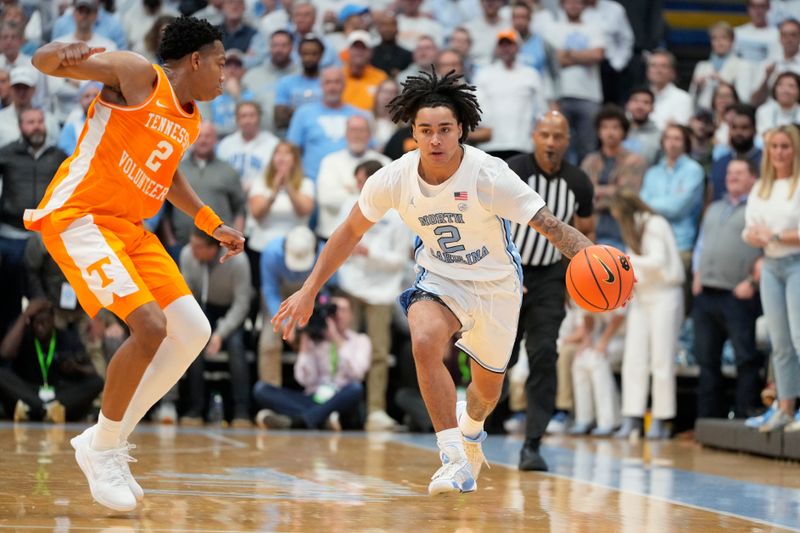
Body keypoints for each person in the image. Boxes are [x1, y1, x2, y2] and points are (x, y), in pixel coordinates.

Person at [272, 70, 597, 495]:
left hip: (496, 285)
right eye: (426, 131)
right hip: (440, 278)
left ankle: (471, 429)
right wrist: (310, 288)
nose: (436, 140)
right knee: (423, 338)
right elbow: (349, 231)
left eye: (445, 130)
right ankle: (452, 458)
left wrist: (596, 259)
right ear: (413, 132)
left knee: (485, 394)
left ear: (461, 129)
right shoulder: (394, 177)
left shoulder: (489, 174)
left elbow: (551, 226)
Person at [22, 17, 245, 512]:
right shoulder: (138, 74)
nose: (225, 75)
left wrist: (211, 223)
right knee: (149, 326)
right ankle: (103, 448)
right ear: (196, 60)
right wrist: (64, 49)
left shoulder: (190, 119)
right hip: (80, 216)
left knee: (192, 330)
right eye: (221, 63)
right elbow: (42, 63)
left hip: (128, 227)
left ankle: (105, 438)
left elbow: (165, 176)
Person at [506, 111, 595, 472]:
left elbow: (588, 239)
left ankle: (532, 443)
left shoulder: (579, 182)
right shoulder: (512, 171)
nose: (551, 142)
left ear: (568, 141)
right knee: (497, 357)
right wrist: (503, 270)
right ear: (534, 136)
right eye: (544, 134)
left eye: (558, 136)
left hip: (549, 278)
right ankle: (469, 429)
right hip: (506, 272)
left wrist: (597, 281)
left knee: (544, 352)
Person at [336, 159, 413, 431]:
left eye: (361, 181)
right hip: (351, 286)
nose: (358, 186)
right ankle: (338, 408)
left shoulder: (398, 212)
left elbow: (398, 260)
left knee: (379, 353)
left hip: (381, 291)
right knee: (344, 348)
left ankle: (375, 411)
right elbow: (338, 243)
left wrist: (371, 254)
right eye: (356, 181)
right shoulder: (349, 205)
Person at [693, 158, 764, 420]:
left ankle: (745, 415)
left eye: (739, 172)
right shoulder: (714, 207)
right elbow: (701, 243)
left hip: (738, 294)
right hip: (706, 293)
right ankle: (707, 421)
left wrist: (754, 282)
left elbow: (766, 251)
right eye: (730, 172)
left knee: (745, 358)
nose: (732, 176)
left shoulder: (757, 209)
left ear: (753, 178)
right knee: (706, 361)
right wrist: (697, 275)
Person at [612, 188, 684, 440]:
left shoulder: (653, 224)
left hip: (665, 294)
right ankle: (632, 417)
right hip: (643, 297)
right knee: (634, 358)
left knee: (661, 360)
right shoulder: (634, 228)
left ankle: (662, 419)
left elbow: (658, 261)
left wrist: (625, 260)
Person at [742, 125, 800, 432]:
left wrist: (774, 235)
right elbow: (749, 229)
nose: (779, 152)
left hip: (796, 265)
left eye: (785, 146)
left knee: (799, 338)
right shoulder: (762, 187)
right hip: (771, 266)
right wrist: (756, 236)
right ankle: (786, 407)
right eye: (774, 146)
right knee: (779, 342)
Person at [179, 229, 253, 427]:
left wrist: (220, 334)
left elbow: (242, 304)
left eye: (198, 247)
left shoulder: (238, 261)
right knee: (194, 345)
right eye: (192, 244)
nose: (192, 250)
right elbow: (186, 293)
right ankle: (194, 409)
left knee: (236, 346)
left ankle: (241, 411)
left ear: (214, 248)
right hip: (202, 308)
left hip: (231, 310)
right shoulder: (188, 254)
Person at [0, 299, 104, 423]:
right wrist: (24, 315)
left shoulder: (67, 338)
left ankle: (33, 409)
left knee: (97, 382)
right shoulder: (26, 335)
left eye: (44, 323)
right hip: (29, 391)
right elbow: (5, 353)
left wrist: (76, 368)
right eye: (36, 323)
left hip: (59, 393)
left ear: (52, 320)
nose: (39, 327)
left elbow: (92, 373)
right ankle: (44, 409)